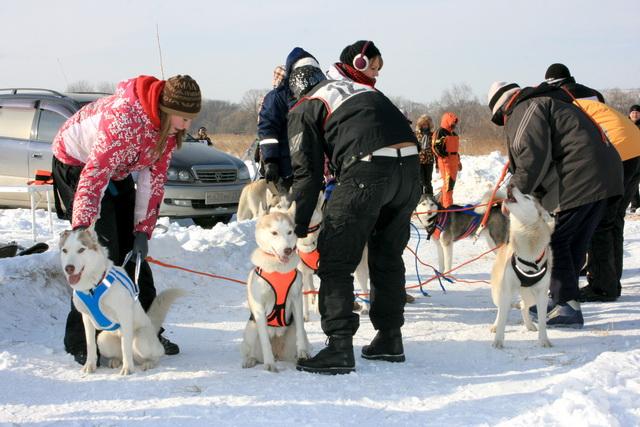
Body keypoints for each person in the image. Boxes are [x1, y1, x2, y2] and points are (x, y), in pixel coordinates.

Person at [287, 52, 421, 375]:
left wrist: (298, 226)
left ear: (296, 89)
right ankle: (390, 338)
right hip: (410, 167)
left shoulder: (304, 106)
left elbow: (307, 176)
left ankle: (339, 346)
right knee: (387, 254)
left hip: (368, 166)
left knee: (335, 257)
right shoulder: (359, 88)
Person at [52, 74, 201, 364]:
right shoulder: (125, 118)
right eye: (183, 118)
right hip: (76, 163)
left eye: (191, 119)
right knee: (102, 247)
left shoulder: (167, 132)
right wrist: (83, 226)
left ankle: (144, 331)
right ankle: (83, 341)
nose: (187, 125)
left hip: (116, 170)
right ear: (167, 109)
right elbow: (94, 174)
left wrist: (143, 230)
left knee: (133, 250)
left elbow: (153, 181)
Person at [487, 81, 623, 328]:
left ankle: (565, 305)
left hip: (581, 176)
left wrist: (514, 193)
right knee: (572, 240)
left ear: (503, 108)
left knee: (554, 241)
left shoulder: (525, 108)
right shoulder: (551, 102)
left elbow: (530, 154)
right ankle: (564, 299)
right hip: (605, 175)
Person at [545, 66, 640, 303]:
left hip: (615, 150)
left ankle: (602, 286)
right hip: (633, 145)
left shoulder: (559, 98)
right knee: (614, 219)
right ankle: (609, 278)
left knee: (600, 220)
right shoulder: (592, 93)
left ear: (551, 82)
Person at [257, 50, 317, 194]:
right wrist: (271, 161)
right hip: (285, 168)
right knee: (287, 209)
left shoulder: (314, 95)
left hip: (309, 166)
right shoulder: (277, 97)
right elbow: (268, 129)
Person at [432, 112, 461, 207]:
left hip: (454, 161)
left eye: (455, 123)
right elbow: (435, 147)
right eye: (453, 123)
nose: (454, 125)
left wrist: (458, 162)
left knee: (450, 185)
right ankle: (448, 206)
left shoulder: (453, 133)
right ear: (447, 121)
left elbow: (455, 149)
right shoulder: (440, 132)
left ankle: (441, 203)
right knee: (448, 186)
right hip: (446, 162)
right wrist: (444, 157)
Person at [415, 114, 435, 195]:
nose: (425, 126)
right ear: (420, 125)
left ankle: (430, 196)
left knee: (428, 181)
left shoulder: (432, 135)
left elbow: (435, 148)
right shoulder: (417, 135)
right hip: (419, 161)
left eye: (426, 124)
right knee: (420, 180)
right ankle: (419, 198)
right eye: (423, 124)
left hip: (429, 160)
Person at [628, 105, 640, 211]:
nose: (635, 114)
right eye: (633, 113)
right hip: (631, 156)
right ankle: (635, 204)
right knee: (632, 181)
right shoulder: (625, 124)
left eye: (637, 113)